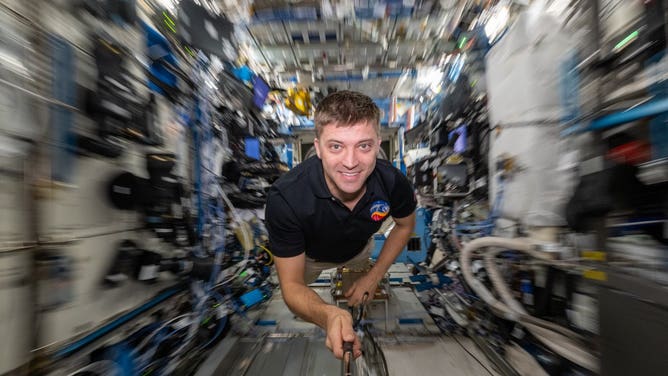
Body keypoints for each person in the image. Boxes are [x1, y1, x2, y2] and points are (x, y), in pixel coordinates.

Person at [264, 90, 417, 360]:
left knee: (360, 287)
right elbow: (291, 285)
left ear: (378, 144)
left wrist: (374, 275)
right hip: (310, 258)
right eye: (336, 146)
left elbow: (404, 226)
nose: (350, 162)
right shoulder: (286, 198)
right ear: (319, 147)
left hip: (358, 249)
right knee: (298, 302)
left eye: (364, 146)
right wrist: (327, 315)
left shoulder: (393, 183)